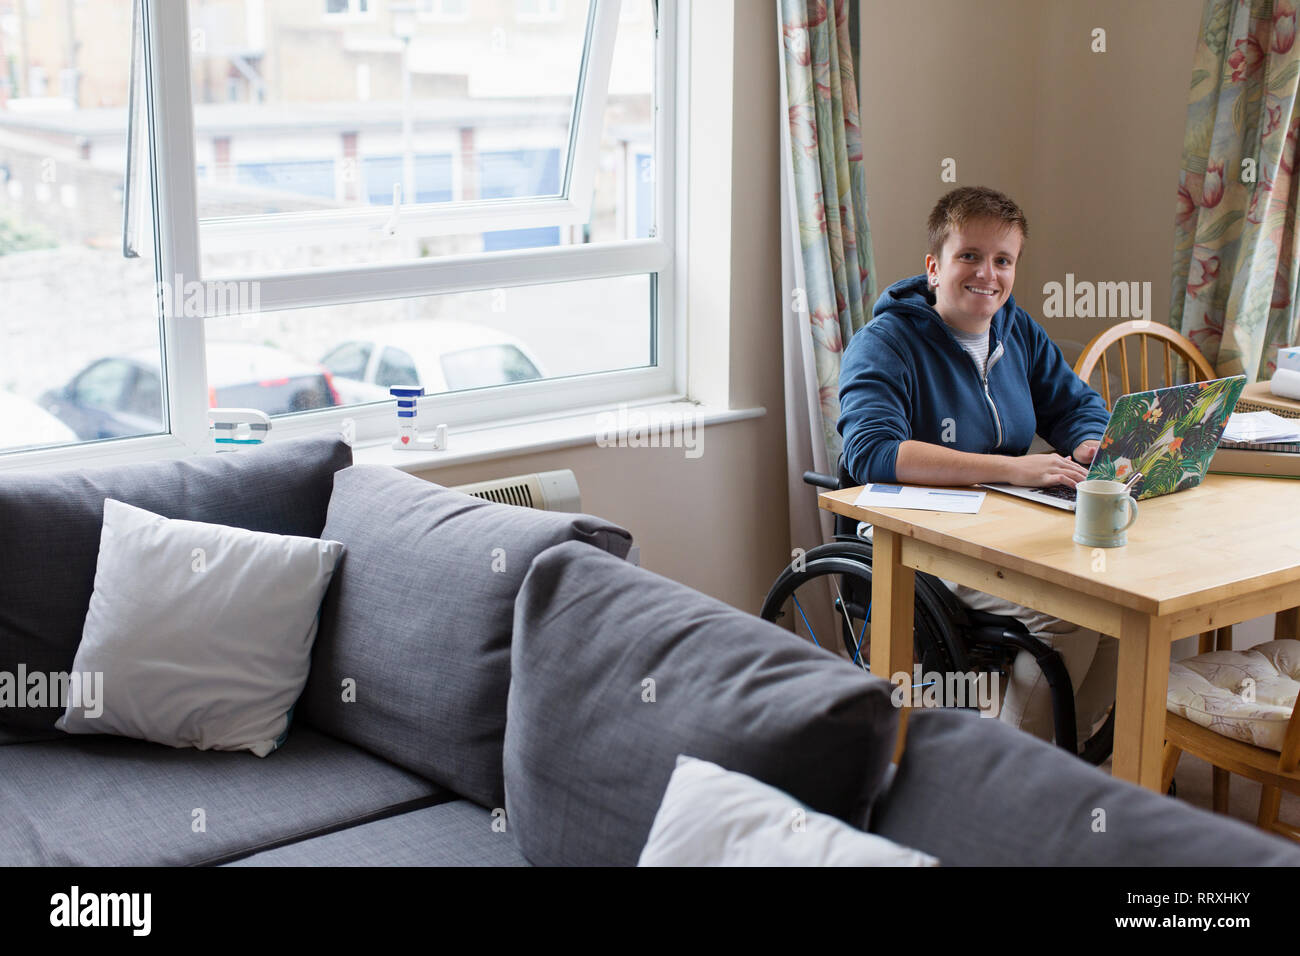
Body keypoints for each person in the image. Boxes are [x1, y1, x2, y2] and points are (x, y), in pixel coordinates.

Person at [836, 185, 1118, 747]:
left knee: (1114, 613)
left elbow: (1078, 405)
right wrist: (1012, 470)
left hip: (1001, 523)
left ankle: (1070, 765)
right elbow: (872, 452)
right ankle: (1009, 774)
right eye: (969, 255)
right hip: (912, 534)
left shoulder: (1014, 329)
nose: (986, 274)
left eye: (1003, 260)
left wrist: (1088, 443)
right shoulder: (885, 343)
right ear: (934, 266)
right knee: (1062, 615)